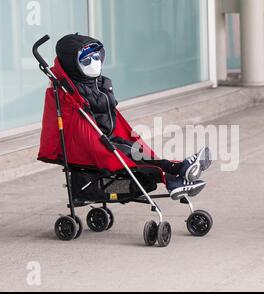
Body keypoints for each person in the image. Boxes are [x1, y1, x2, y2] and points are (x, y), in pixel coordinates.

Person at [55, 34, 212, 200]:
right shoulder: (70, 93)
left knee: (140, 153)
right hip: (95, 144)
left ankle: (175, 179)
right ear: (73, 65)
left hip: (108, 138)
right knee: (136, 157)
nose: (94, 63)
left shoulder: (99, 84)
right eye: (86, 60)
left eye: (96, 57)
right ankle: (179, 169)